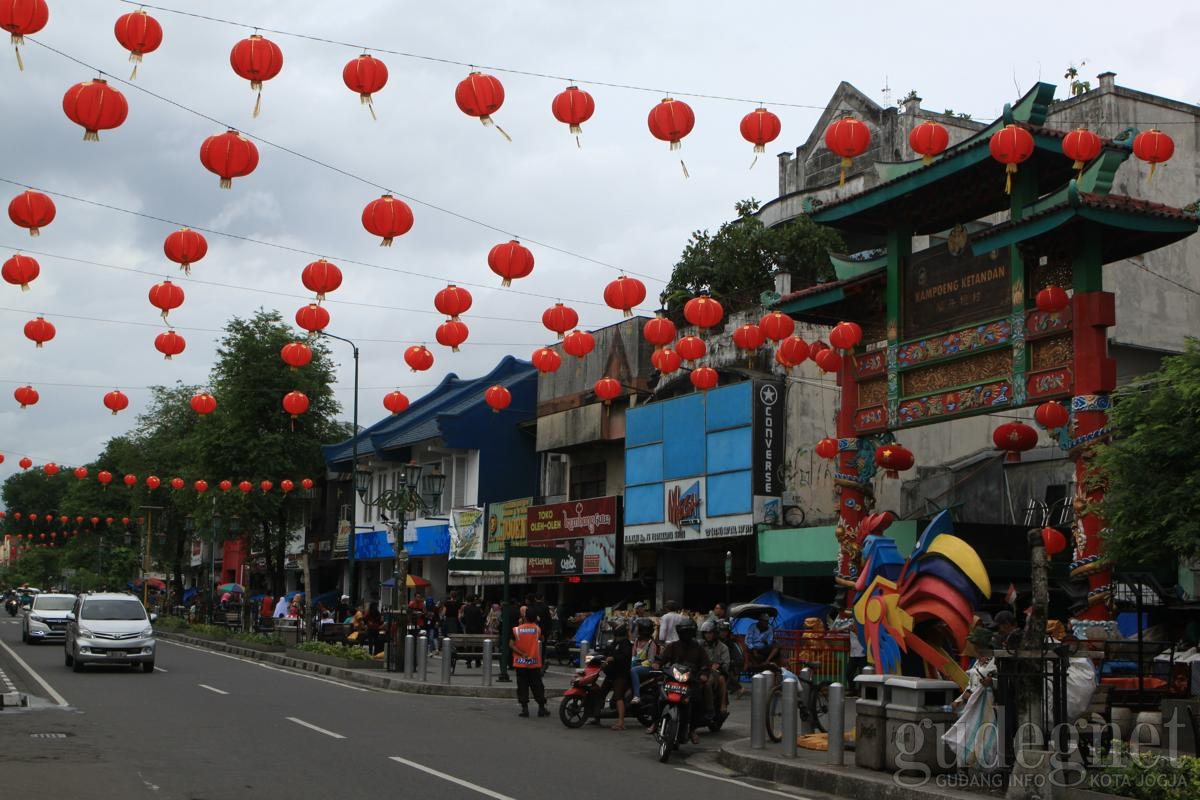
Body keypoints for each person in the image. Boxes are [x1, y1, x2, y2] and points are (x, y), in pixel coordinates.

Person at [651, 617, 710, 744]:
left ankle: (692, 729)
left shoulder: (698, 648)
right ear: (679, 632)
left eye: (689, 632)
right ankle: (655, 723)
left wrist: (703, 674)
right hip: (673, 679)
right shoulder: (673, 646)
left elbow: (705, 664)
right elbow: (662, 658)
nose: (686, 635)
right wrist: (657, 664)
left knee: (698, 700)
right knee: (657, 695)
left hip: (690, 681)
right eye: (684, 632)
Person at [511, 607, 549, 718]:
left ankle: (525, 709)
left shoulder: (516, 630)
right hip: (534, 664)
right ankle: (541, 708)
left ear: (525, 617)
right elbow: (542, 639)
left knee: (522, 686)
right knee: (537, 686)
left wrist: (521, 653)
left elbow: (511, 644)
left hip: (520, 663)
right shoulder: (537, 629)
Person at [602, 621, 634, 730]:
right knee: (602, 692)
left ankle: (621, 721)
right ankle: (596, 716)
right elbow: (607, 652)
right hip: (611, 673)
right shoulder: (615, 643)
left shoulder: (626, 644)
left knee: (618, 696)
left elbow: (625, 657)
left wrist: (614, 658)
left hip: (621, 674)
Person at [829, 607, 867, 691]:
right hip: (853, 654)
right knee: (849, 673)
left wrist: (855, 630)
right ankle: (852, 690)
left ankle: (861, 692)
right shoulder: (851, 623)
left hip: (863, 653)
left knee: (863, 675)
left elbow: (864, 637)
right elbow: (835, 630)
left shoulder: (863, 624)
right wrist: (845, 628)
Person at [700, 620, 731, 716]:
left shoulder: (723, 647)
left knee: (708, 683)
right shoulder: (700, 645)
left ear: (715, 633)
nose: (708, 635)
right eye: (706, 633)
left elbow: (726, 664)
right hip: (701, 671)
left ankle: (711, 708)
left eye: (710, 633)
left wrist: (718, 665)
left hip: (716, 672)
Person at [629, 618, 658, 706]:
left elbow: (650, 660)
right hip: (636, 664)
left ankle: (637, 696)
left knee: (633, 670)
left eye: (638, 629)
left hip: (647, 667)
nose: (636, 631)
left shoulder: (651, 643)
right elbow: (633, 655)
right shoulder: (637, 641)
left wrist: (637, 664)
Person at [716, 620, 746, 699]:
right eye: (721, 631)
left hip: (731, 663)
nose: (723, 633)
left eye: (725, 631)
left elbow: (738, 659)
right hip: (721, 662)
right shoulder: (716, 641)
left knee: (722, 671)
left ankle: (739, 688)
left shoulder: (730, 643)